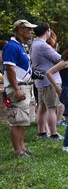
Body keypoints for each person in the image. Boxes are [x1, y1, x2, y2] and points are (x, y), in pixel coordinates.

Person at [3, 20, 37, 157]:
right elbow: (9, 68)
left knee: (23, 120)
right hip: (19, 88)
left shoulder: (21, 46)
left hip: (27, 87)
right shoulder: (11, 46)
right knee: (17, 120)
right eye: (28, 29)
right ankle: (18, 151)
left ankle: (22, 147)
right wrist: (16, 89)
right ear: (20, 30)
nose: (31, 31)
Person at [30, 22, 63, 140]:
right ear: (47, 31)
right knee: (52, 108)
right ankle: (53, 133)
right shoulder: (43, 45)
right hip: (49, 81)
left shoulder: (34, 43)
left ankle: (42, 132)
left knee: (42, 107)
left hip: (40, 81)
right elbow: (59, 59)